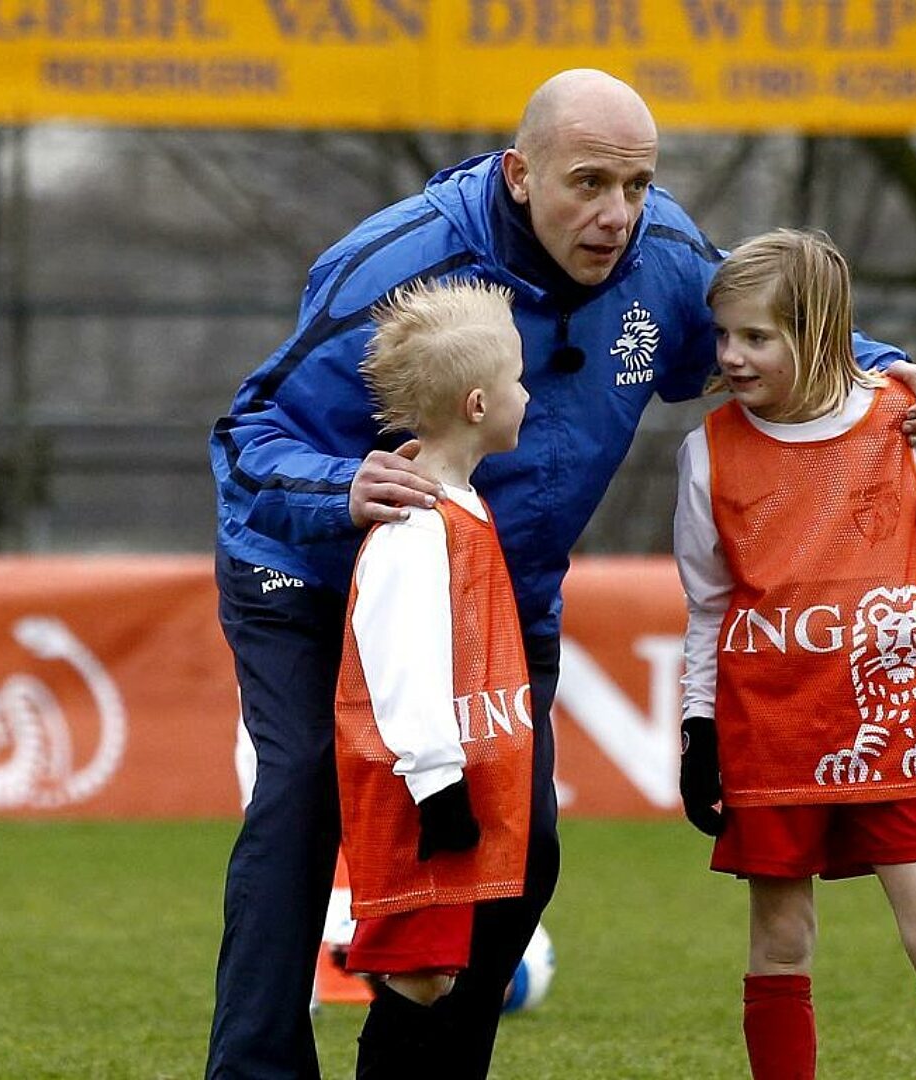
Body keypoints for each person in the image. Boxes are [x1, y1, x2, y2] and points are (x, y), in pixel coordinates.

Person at [207, 68, 916, 1079]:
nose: (617, 215)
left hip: (499, 598)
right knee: (303, 802)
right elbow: (250, 430)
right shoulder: (399, 263)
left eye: (637, 185)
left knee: (521, 853)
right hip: (314, 571)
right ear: (520, 175)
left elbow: (779, 327)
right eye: (589, 183)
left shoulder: (667, 258)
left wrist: (891, 375)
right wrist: (341, 485)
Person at [673, 229, 916, 1080]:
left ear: (818, 332)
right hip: (771, 733)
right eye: (723, 336)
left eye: (756, 337)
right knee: (781, 938)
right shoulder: (707, 452)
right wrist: (699, 728)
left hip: (887, 729)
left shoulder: (897, 420)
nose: (731, 356)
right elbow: (708, 605)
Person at [333, 279, 535, 1075]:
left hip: (454, 788)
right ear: (480, 404)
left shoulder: (463, 506)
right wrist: (437, 784)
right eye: (520, 379)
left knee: (436, 974)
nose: (530, 393)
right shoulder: (418, 525)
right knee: (417, 976)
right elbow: (402, 664)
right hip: (423, 797)